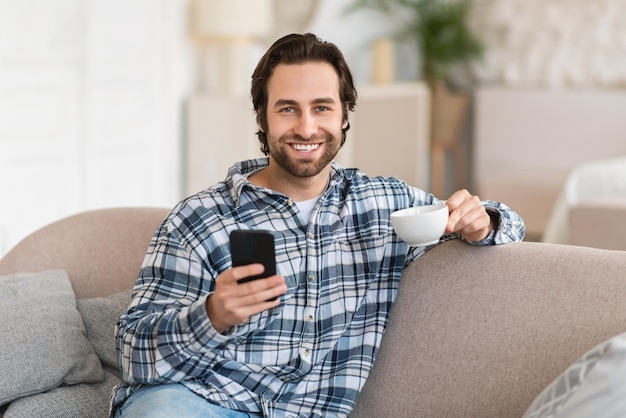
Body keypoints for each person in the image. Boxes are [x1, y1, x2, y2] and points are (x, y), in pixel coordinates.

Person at [111, 33, 525, 418]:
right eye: (287, 108)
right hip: (201, 402)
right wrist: (212, 315)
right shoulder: (199, 219)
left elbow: (507, 224)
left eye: (322, 108)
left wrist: (482, 221)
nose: (306, 128)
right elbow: (131, 355)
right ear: (262, 118)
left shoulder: (382, 205)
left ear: (345, 115)